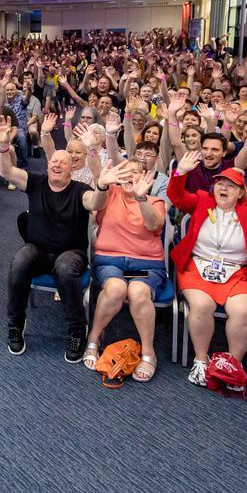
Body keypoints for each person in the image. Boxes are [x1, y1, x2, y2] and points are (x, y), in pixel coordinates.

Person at [0, 116, 114, 363]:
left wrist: (102, 186)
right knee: (19, 262)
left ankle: (77, 330)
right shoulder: (36, 182)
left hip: (71, 252)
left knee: (64, 268)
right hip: (38, 249)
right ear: (48, 165)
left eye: (63, 162)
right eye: (54, 161)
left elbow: (97, 203)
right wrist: (3, 146)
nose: (57, 164)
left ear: (72, 169)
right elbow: (6, 171)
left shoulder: (80, 190)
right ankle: (16, 324)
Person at [168, 150, 247, 387]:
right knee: (201, 306)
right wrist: (180, 173)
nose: (224, 187)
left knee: (243, 312)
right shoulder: (202, 201)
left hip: (239, 273)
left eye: (231, 185)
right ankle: (201, 360)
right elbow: (176, 197)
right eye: (220, 183)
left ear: (240, 193)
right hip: (198, 267)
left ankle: (231, 364)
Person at [83, 160, 168, 380]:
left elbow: (154, 224)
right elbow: (94, 205)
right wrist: (102, 185)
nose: (129, 175)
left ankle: (148, 353)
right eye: (125, 172)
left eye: (135, 172)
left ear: (145, 177)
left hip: (144, 266)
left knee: (138, 291)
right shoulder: (110, 194)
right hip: (111, 263)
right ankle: (93, 338)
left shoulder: (155, 201)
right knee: (115, 288)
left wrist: (141, 199)